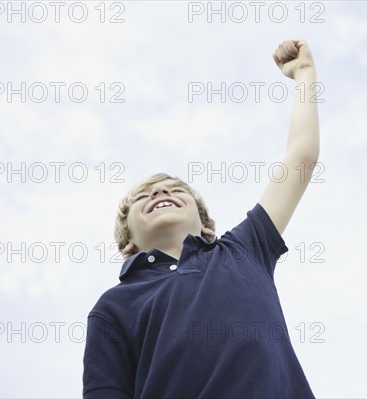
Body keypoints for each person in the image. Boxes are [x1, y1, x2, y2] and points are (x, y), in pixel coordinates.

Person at [82, 39, 320, 398]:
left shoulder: (244, 249)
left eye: (175, 190)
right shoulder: (113, 307)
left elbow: (300, 158)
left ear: (207, 224)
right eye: (144, 196)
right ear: (127, 240)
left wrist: (304, 74)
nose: (160, 193)